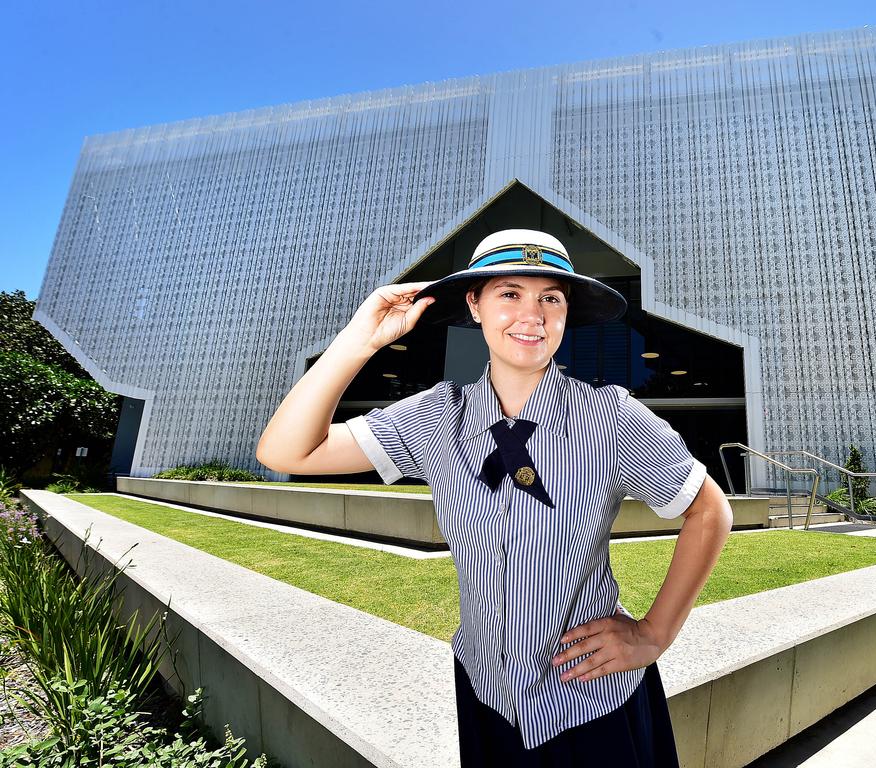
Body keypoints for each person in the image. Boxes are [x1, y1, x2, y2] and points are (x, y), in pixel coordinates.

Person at [256, 229, 734, 766]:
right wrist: (359, 340)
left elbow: (709, 509)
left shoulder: (612, 416)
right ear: (474, 304)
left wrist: (654, 632)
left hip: (591, 703)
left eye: (549, 298)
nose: (531, 314)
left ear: (565, 314)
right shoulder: (435, 418)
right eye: (509, 293)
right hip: (486, 696)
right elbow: (287, 452)